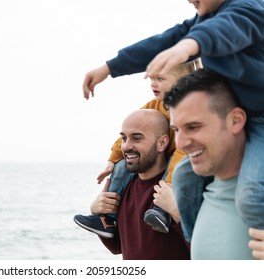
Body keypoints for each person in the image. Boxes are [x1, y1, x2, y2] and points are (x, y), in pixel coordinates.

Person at [82, 0, 264, 241]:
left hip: (259, 120)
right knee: (185, 177)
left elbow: (223, 30)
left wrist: (187, 46)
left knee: (251, 193)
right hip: (231, 119)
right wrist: (109, 68)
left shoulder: (248, 8)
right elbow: (163, 41)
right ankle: (194, 244)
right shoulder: (204, 19)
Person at [74, 60, 201, 238]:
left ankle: (162, 212)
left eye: (160, 78)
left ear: (182, 81)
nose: (153, 84)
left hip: (180, 157)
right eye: (151, 79)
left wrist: (171, 181)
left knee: (177, 169)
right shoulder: (153, 106)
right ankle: (107, 219)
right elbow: (128, 135)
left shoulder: (190, 109)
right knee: (120, 166)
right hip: (164, 157)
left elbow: (182, 151)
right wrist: (112, 160)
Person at [164, 68, 257, 259]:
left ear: (235, 120)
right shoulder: (196, 191)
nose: (180, 143)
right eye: (176, 130)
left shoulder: (255, 196)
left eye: (194, 127)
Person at [81, 109, 190, 260]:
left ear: (162, 143)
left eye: (137, 138)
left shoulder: (183, 187)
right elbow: (117, 247)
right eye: (124, 138)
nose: (125, 147)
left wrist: (178, 213)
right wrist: (98, 212)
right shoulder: (124, 187)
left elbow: (207, 254)